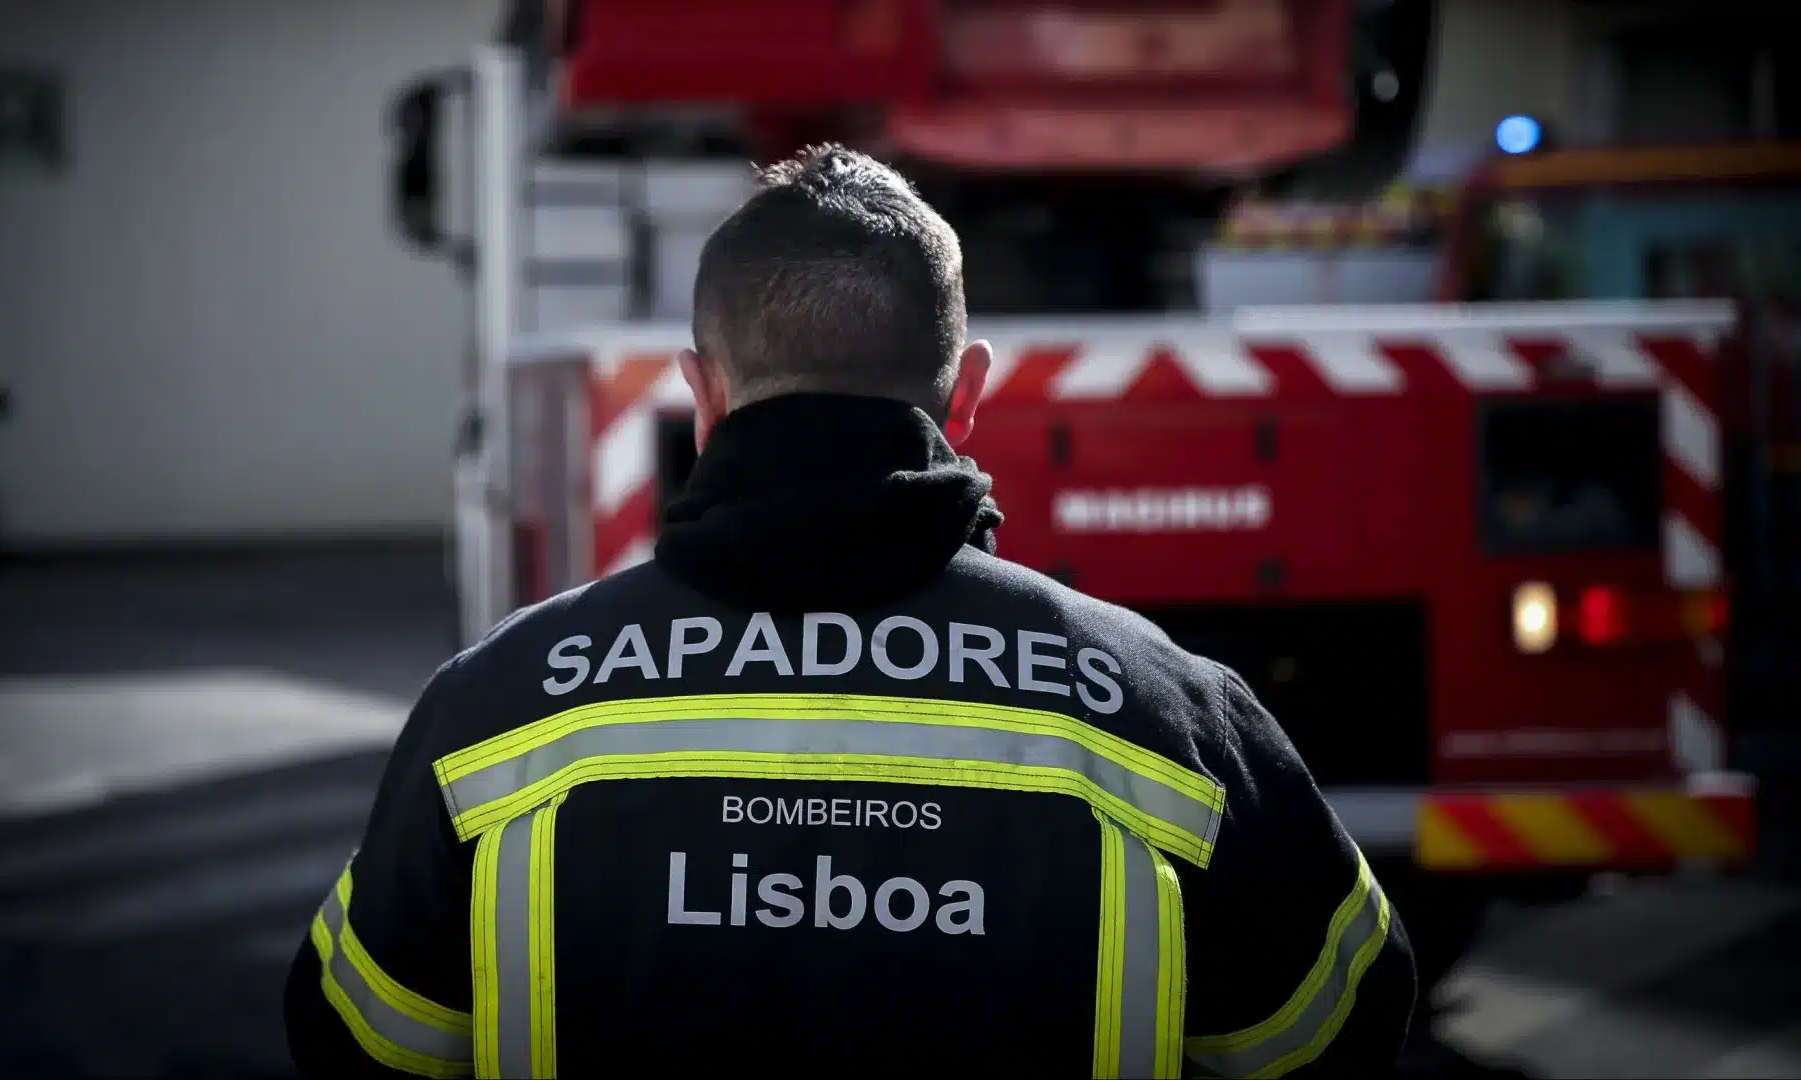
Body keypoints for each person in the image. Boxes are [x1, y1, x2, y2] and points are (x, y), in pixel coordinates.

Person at [283, 144, 1416, 1078]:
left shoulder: (492, 712)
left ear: (706, 394)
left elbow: (358, 1044)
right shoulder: (1173, 719)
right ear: (965, 394)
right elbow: (1341, 1027)